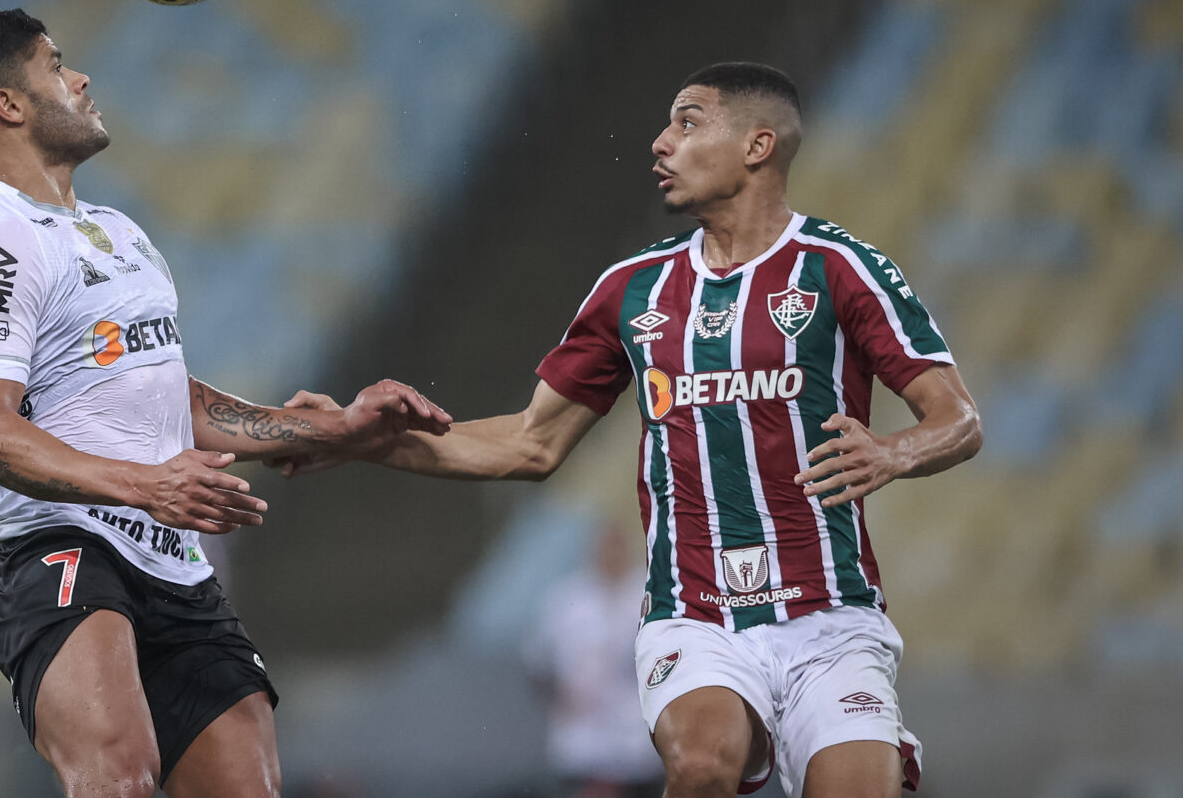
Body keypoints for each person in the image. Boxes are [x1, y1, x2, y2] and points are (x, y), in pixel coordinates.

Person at [277, 62, 982, 797]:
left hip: (832, 618)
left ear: (758, 145)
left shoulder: (841, 270)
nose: (659, 144)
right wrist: (361, 439)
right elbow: (530, 441)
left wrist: (896, 449)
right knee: (703, 764)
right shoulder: (632, 288)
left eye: (687, 122)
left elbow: (958, 418)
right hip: (696, 613)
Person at [0, 7, 450, 798]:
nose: (81, 77)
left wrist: (330, 425)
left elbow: (174, 399)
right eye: (56, 65)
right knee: (119, 776)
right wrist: (146, 484)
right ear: (10, 104)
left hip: (168, 555)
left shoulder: (116, 233)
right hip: (54, 546)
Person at [526, 518, 665, 798]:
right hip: (579, 738)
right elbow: (536, 663)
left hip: (637, 739)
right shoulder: (565, 597)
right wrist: (561, 694)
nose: (611, 553)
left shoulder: (650, 597)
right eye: (605, 545)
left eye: (617, 546)